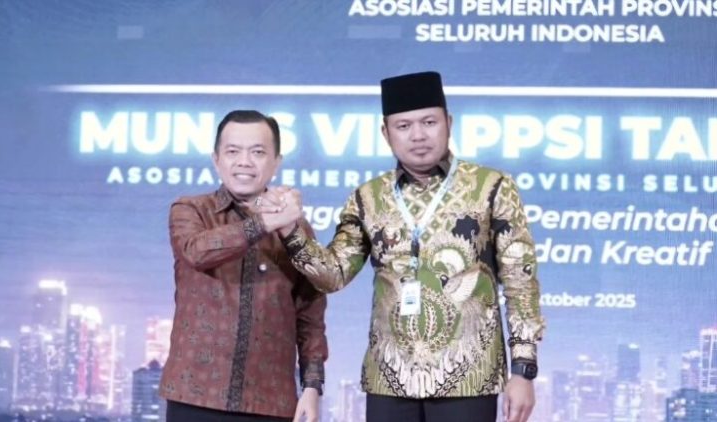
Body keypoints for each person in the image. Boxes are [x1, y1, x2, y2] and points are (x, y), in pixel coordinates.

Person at [275, 72, 545, 422]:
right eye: (403, 126)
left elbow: (520, 280)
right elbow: (333, 275)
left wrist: (523, 369)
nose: (418, 135)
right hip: (390, 377)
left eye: (429, 122)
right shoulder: (367, 197)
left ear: (449, 123)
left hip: (468, 375)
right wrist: (290, 231)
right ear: (386, 133)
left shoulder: (492, 187)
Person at [159, 110, 328, 422]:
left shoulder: (296, 229)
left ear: (276, 162)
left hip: (270, 401)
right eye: (233, 151)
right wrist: (264, 221)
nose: (244, 162)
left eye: (258, 152)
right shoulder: (190, 210)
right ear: (216, 160)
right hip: (194, 394)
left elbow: (310, 313)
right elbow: (196, 252)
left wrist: (312, 386)